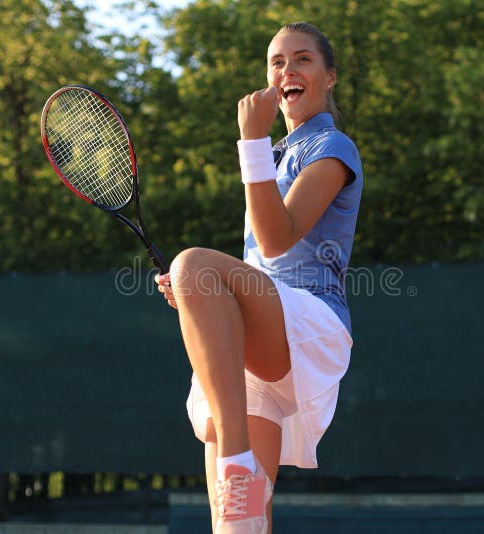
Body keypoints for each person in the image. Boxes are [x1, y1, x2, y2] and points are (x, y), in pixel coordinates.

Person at [155, 22, 362, 534]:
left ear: (329, 76)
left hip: (309, 325)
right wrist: (205, 299)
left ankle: (237, 460)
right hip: (261, 340)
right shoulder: (271, 158)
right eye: (276, 62)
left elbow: (275, 240)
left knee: (192, 263)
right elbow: (261, 266)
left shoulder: (332, 148)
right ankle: (239, 471)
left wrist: (250, 137)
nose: (286, 70)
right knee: (239, 525)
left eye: (302, 60)